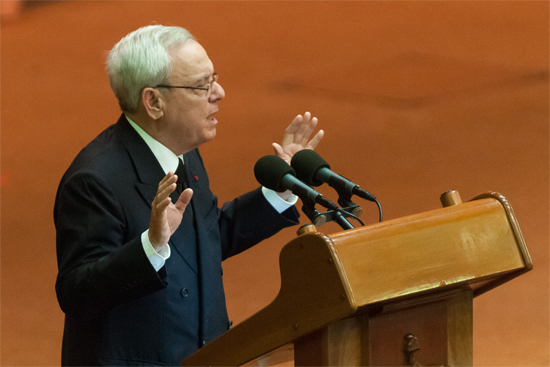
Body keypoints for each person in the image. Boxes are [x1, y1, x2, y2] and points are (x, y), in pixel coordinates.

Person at [54, 25, 323, 366]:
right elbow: (77, 293)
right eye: (201, 85)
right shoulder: (94, 179)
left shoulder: (181, 151)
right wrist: (150, 247)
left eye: (214, 78)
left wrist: (280, 189)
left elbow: (206, 239)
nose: (220, 92)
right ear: (153, 102)